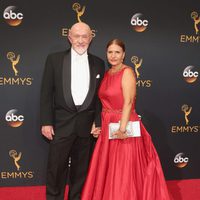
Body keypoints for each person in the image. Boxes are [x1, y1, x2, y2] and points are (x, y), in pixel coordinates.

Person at [81, 39, 171, 200]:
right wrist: (100, 125)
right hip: (108, 123)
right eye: (110, 52)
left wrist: (122, 129)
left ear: (124, 55)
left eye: (117, 52)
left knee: (124, 172)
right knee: (108, 170)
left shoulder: (127, 72)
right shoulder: (107, 73)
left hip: (124, 124)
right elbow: (102, 103)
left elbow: (128, 102)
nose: (113, 56)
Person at [40, 22, 105, 200]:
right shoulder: (54, 59)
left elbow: (101, 97)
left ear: (91, 38)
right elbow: (46, 93)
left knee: (81, 171)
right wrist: (46, 121)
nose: (81, 40)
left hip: (86, 126)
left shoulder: (99, 63)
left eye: (85, 36)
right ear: (69, 38)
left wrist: (98, 122)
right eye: (77, 36)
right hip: (61, 124)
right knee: (56, 169)